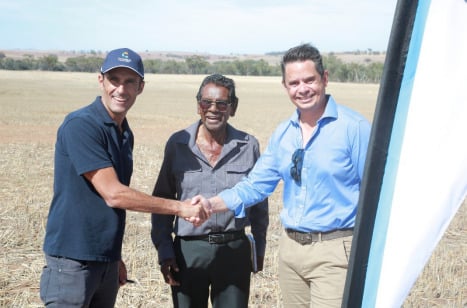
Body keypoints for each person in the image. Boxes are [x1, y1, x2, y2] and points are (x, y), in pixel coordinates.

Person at [194, 44, 371, 307]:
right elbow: (256, 185)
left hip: (336, 251)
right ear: (285, 86)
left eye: (309, 80)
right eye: (294, 82)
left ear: (324, 78)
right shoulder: (284, 134)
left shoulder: (354, 129)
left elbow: (375, 195)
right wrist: (212, 204)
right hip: (291, 252)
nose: (303, 89)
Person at [40, 48, 209, 308]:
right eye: (114, 80)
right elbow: (114, 194)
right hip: (72, 262)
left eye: (129, 81)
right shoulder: (81, 125)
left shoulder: (123, 132)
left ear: (141, 87)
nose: (121, 89)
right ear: (101, 81)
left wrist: (113, 257)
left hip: (103, 261)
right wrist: (181, 208)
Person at [151, 74, 269, 308]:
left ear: (233, 108)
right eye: (207, 102)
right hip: (188, 251)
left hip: (234, 250)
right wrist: (165, 251)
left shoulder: (249, 146)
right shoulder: (178, 144)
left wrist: (259, 250)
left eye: (222, 103)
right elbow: (162, 201)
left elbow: (259, 205)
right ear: (198, 106)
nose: (213, 109)